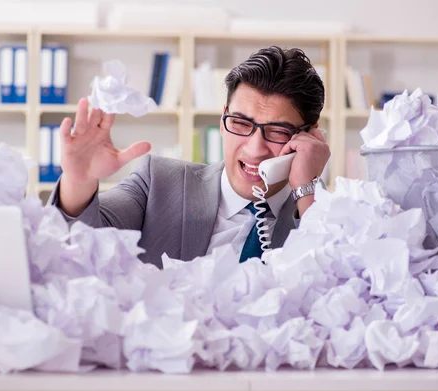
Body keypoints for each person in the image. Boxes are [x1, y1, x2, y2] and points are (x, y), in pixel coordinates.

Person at [48, 46, 330, 269]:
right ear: (222, 120)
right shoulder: (158, 181)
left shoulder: (323, 217)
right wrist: (79, 182)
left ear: (309, 137)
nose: (255, 149)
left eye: (278, 131)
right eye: (241, 124)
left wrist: (307, 189)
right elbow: (81, 246)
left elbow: (333, 290)